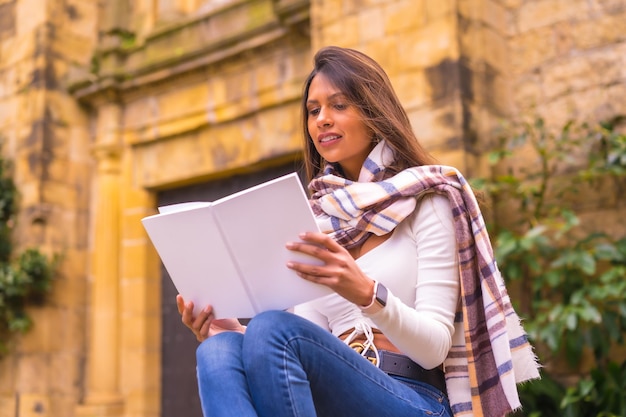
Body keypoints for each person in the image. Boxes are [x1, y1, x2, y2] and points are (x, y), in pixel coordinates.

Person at [176, 46, 540, 417]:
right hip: (330, 395)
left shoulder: (428, 200)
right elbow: (296, 340)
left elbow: (434, 348)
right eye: (313, 111)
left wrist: (366, 293)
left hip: (412, 396)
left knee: (272, 326)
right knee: (217, 352)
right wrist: (230, 330)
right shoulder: (316, 222)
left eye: (339, 105)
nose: (322, 120)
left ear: (373, 111)